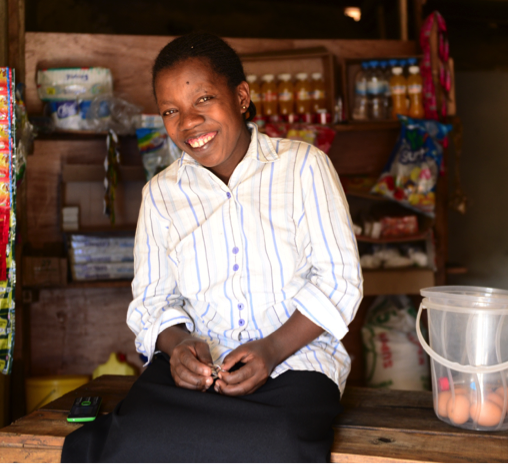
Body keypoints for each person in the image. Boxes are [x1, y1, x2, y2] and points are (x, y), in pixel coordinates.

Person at [61, 33, 363, 464]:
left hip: (295, 365)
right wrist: (178, 345)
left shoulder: (303, 167)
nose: (188, 123)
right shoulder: (161, 195)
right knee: (131, 442)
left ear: (241, 97)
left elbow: (340, 281)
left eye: (204, 99)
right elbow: (152, 302)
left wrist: (272, 349)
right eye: (171, 111)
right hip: (196, 377)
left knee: (274, 444)